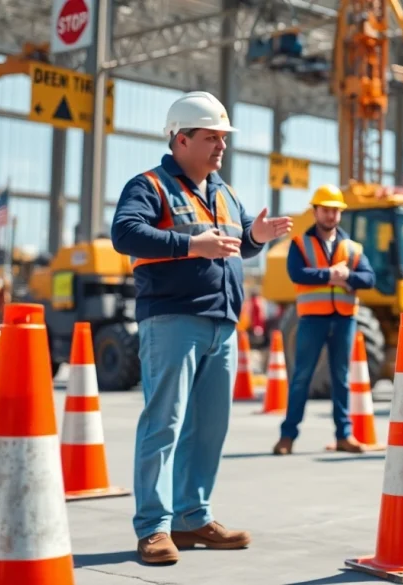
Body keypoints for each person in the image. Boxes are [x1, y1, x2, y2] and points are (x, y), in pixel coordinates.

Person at [111, 90, 293, 565]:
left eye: (223, 138)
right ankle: (153, 527)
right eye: (211, 137)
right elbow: (125, 233)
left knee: (210, 427)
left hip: (222, 324)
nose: (221, 146)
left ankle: (193, 517)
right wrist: (192, 245)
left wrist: (255, 237)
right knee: (164, 424)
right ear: (181, 139)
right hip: (172, 319)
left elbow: (236, 245)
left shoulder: (224, 192)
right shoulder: (148, 186)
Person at [273, 184, 376, 455]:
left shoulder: (352, 248)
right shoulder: (299, 243)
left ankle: (344, 435)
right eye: (326, 210)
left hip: (343, 319)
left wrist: (348, 278)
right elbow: (297, 273)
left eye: (335, 211)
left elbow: (369, 278)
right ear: (316, 212)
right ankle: (288, 436)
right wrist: (330, 274)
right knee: (301, 377)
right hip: (312, 319)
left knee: (341, 379)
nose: (331, 215)